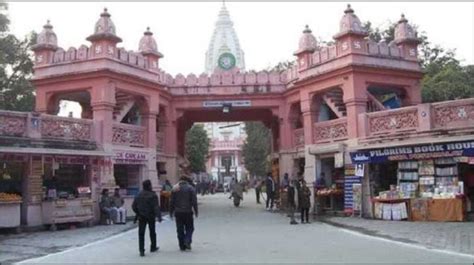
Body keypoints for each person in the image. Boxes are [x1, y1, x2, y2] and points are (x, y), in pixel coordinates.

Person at [132, 180, 162, 257]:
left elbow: (134, 206)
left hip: (141, 216)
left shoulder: (138, 195)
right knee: (152, 232)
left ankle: (141, 250)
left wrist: (138, 212)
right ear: (149, 186)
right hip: (150, 216)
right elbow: (156, 207)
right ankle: (153, 247)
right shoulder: (153, 195)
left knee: (141, 233)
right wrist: (159, 216)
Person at [170, 176, 198, 251]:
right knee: (190, 228)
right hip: (188, 212)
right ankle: (187, 240)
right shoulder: (191, 188)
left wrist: (170, 212)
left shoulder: (175, 188)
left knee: (180, 229)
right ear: (187, 181)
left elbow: (171, 201)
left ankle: (181, 245)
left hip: (178, 212)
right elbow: (194, 201)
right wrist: (196, 211)